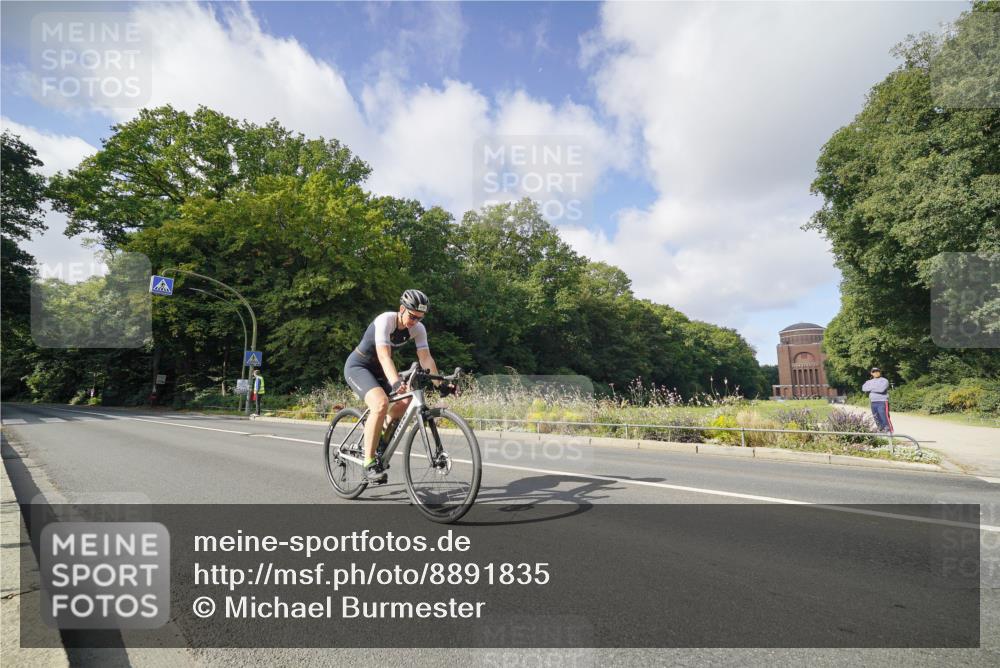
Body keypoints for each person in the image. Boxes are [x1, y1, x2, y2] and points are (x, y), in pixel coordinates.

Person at [343, 289, 452, 483]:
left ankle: (380, 441)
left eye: (420, 318)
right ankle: (368, 463)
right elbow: (384, 356)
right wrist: (395, 381)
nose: (415, 322)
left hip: (380, 370)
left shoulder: (418, 329)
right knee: (380, 404)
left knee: (407, 401)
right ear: (402, 309)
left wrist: (440, 384)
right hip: (358, 366)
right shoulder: (386, 320)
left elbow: (425, 358)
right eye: (412, 316)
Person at [861, 367, 892, 432]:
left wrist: (870, 388)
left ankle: (889, 432)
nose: (876, 372)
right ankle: (881, 430)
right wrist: (875, 387)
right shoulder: (869, 381)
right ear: (871, 373)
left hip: (882, 402)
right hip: (873, 402)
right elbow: (864, 388)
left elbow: (881, 390)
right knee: (876, 418)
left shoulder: (884, 380)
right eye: (874, 371)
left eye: (877, 371)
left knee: (884, 417)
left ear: (880, 372)